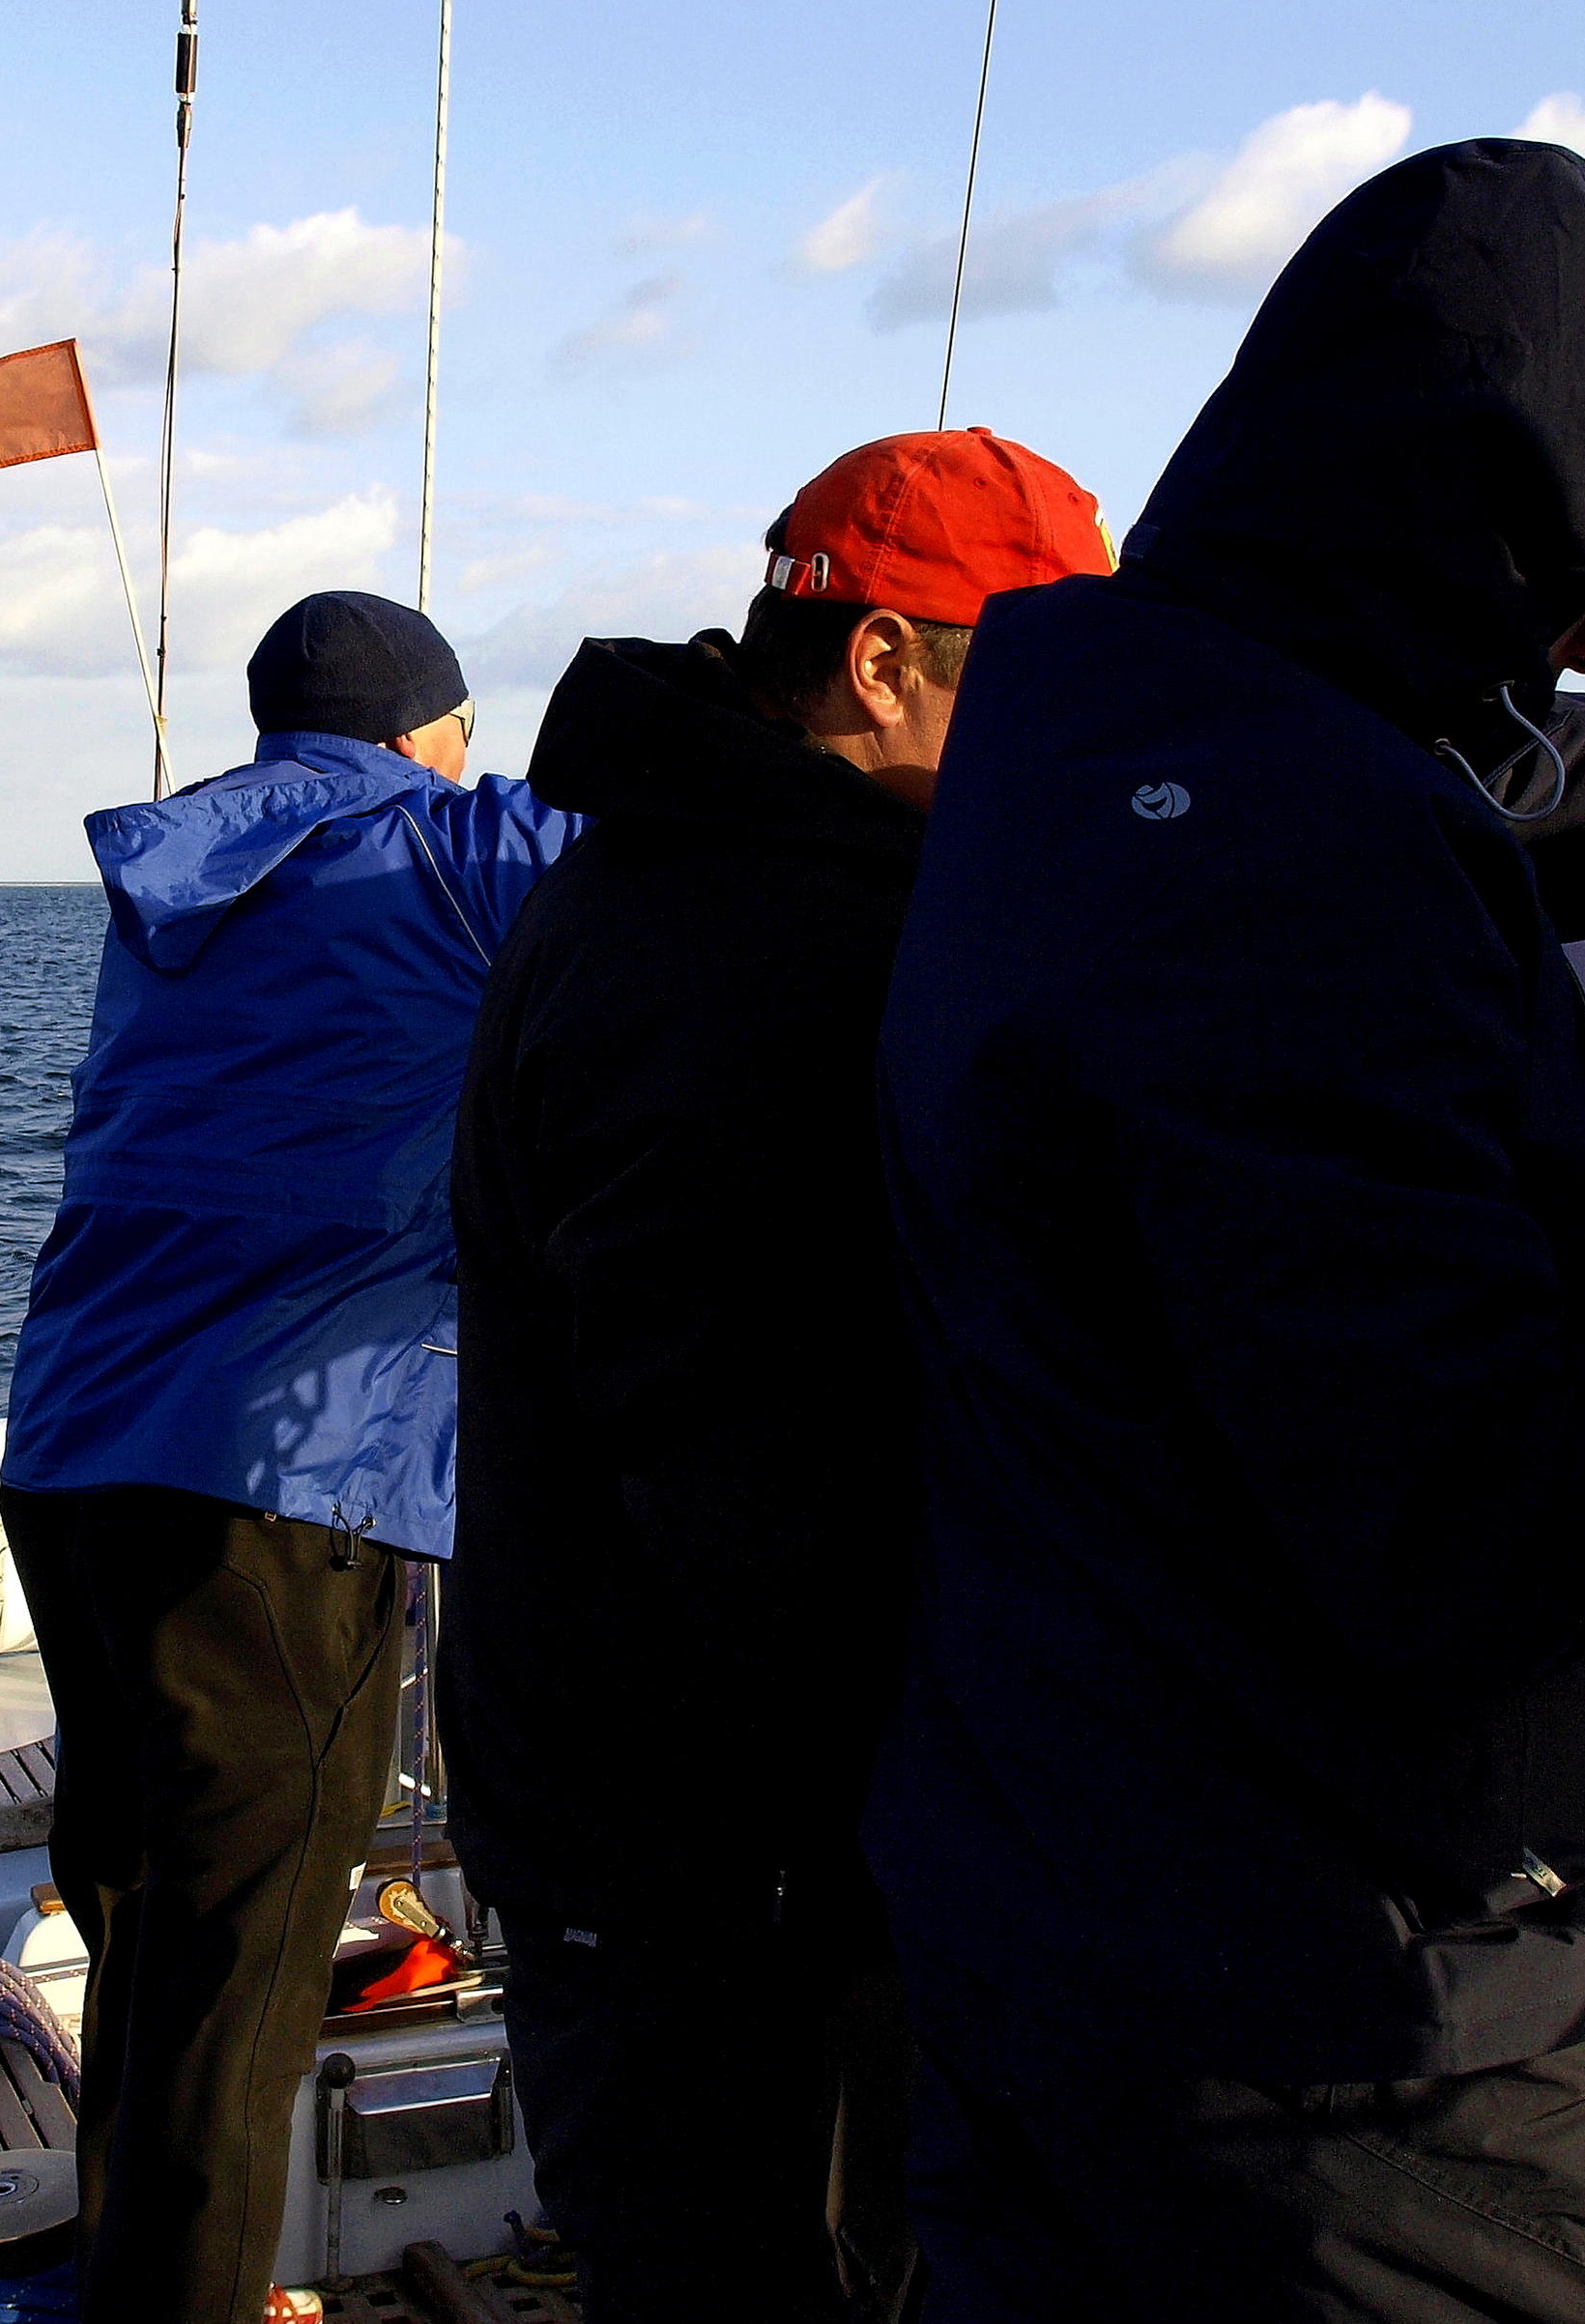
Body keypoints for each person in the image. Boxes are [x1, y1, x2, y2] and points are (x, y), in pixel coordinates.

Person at [870, 140, 1585, 2320]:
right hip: (1369, 2053)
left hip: (1046, 1952)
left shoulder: (1070, 746)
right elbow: (1459, 1544)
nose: (1584, 648)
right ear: (1470, 510)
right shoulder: (1315, 846)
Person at [447, 427, 1113, 2324]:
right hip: (718, 1861)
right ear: (883, 663)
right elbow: (745, 1472)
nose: (1072, 752)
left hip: (700, 1830)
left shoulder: (694, 883)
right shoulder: (754, 942)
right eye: (1039, 694)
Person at [0, 589, 578, 2324]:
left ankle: (134, 2277)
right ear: (421, 732)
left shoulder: (178, 871)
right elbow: (675, 860)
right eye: (465, 731)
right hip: (272, 1484)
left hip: (70, 1450)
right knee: (243, 1972)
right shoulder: (447, 846)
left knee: (145, 1916)